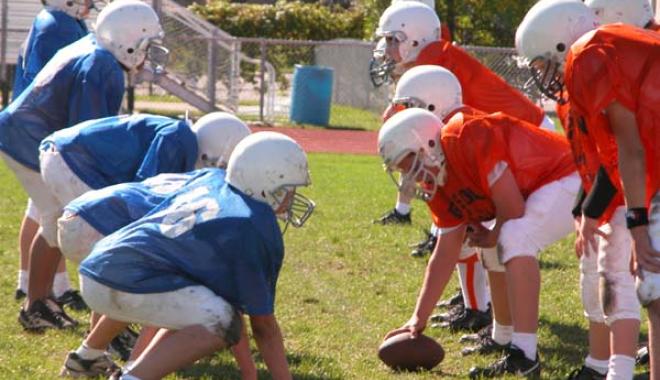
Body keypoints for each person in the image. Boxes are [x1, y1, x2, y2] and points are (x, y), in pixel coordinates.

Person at [77, 132, 315, 379]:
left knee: (205, 309)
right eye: (288, 189)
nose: (292, 197)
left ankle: (112, 364)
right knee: (221, 321)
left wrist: (249, 374)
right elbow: (263, 327)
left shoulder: (215, 180)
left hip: (101, 264)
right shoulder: (252, 224)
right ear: (266, 183)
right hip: (127, 278)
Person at [0, 0, 166, 332]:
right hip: (30, 141)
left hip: (25, 136)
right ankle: (99, 321)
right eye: (145, 43)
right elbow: (87, 134)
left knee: (54, 219)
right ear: (127, 40)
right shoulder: (102, 65)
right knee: (83, 221)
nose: (148, 52)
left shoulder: (96, 48)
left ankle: (38, 304)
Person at [515, 0, 660, 378]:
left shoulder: (589, 58)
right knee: (652, 290)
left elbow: (628, 150)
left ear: (563, 47)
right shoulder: (600, 58)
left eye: (544, 64)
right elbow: (620, 155)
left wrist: (636, 224)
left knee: (653, 289)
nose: (543, 75)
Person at [379, 106, 578, 378]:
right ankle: (503, 335)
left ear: (428, 146)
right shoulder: (440, 179)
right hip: (540, 186)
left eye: (410, 167)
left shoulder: (466, 136)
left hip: (571, 172)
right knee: (495, 245)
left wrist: (493, 234)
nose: (411, 179)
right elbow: (445, 252)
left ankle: (525, 355)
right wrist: (418, 318)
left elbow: (514, 209)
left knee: (514, 237)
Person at [27, 111, 245, 333]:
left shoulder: (179, 134)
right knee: (111, 242)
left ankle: (35, 306)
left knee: (52, 230)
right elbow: (145, 193)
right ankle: (107, 336)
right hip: (77, 161)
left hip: (60, 152)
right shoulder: (178, 140)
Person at [11, 0, 96, 308]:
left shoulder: (59, 22)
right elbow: (48, 84)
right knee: (50, 209)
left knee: (41, 207)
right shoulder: (56, 26)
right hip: (40, 127)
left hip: (38, 126)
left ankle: (35, 282)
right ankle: (51, 289)